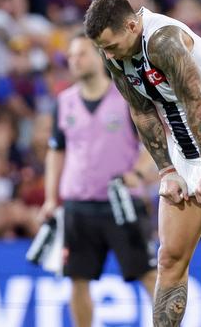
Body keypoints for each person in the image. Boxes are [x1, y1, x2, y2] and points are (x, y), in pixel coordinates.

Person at [85, 0, 201, 327]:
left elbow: (195, 102)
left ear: (133, 25)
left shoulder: (164, 41)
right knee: (169, 258)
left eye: (110, 45)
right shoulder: (115, 52)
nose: (107, 54)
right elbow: (142, 111)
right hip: (181, 152)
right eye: (102, 48)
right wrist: (166, 171)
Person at [39, 33, 157, 327]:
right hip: (78, 204)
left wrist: (138, 174)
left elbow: (155, 146)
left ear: (100, 56)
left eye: (81, 54)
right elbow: (56, 152)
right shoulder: (64, 102)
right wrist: (51, 198)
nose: (75, 61)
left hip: (121, 202)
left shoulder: (127, 97)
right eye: (71, 56)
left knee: (148, 274)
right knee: (77, 279)